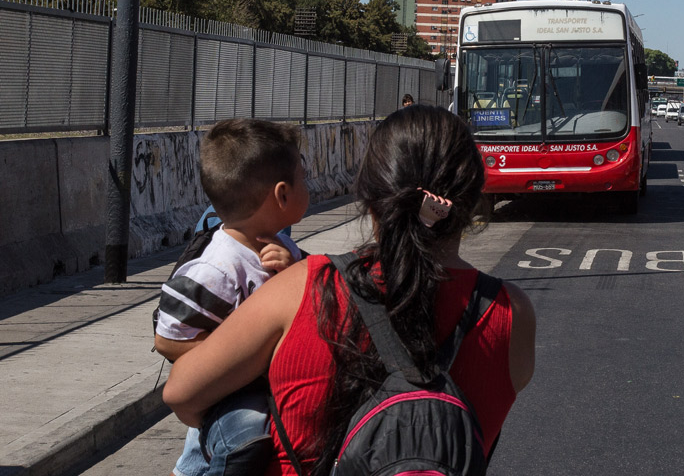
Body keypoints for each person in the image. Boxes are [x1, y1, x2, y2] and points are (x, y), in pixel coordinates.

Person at [164, 106, 536, 476]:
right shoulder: (512, 313)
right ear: (471, 200)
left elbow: (181, 394)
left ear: (370, 198)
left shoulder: (300, 287)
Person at [155, 119, 308, 476]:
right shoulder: (216, 267)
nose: (308, 186)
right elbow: (166, 340)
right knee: (245, 439)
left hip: (257, 386)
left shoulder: (281, 245)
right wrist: (235, 360)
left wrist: (292, 271)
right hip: (227, 397)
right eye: (304, 179)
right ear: (282, 195)